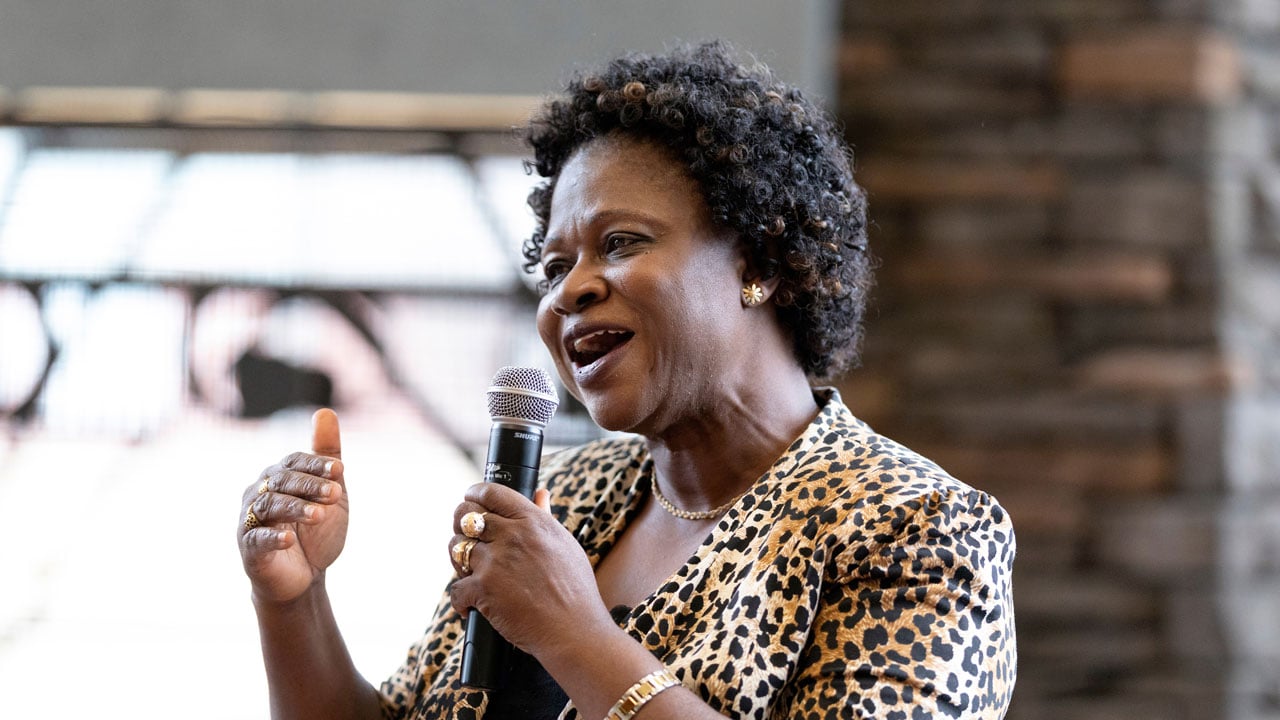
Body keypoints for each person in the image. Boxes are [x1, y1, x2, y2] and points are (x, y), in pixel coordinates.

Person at [237, 40, 1017, 720]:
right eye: (552, 267)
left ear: (760, 264)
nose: (568, 290)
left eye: (619, 242)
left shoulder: (916, 530)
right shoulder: (565, 499)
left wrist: (575, 637)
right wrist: (292, 597)